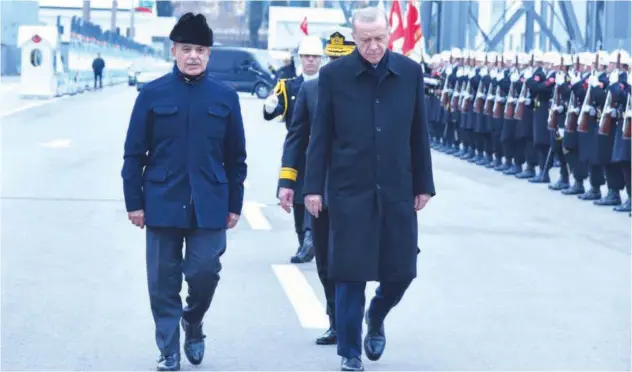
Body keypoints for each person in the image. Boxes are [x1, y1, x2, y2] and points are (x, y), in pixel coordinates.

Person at [302, 7, 435, 371]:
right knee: (349, 272)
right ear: (353, 38)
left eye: (379, 39)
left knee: (402, 271)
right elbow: (320, 137)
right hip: (349, 189)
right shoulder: (333, 76)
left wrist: (424, 184)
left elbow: (418, 133)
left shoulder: (409, 73)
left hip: (397, 188)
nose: (373, 47)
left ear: (388, 35)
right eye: (365, 40)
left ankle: (375, 317)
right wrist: (312, 187)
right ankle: (350, 352)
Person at [121, 13, 247, 371]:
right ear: (173, 50)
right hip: (161, 201)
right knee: (162, 281)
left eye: (201, 50)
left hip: (210, 203)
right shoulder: (152, 93)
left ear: (209, 54)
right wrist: (135, 203)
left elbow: (236, 158)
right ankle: (169, 349)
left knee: (205, 272)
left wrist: (234, 204)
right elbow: (134, 153)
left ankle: (193, 321)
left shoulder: (225, 97)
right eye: (187, 48)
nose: (194, 56)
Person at [278, 30, 356, 346]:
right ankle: (336, 321)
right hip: (320, 188)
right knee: (325, 259)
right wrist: (287, 182)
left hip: (357, 188)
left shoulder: (366, 91)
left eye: (342, 58)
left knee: (354, 258)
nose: (336, 64)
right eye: (332, 58)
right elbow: (296, 138)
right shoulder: (311, 91)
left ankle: (358, 319)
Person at [263, 35, 324, 264]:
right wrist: (270, 107)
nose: (310, 61)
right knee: (298, 199)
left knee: (314, 195)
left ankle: (311, 237)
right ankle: (304, 239)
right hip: (299, 148)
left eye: (315, 57)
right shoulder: (289, 85)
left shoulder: (328, 85)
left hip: (320, 150)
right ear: (300, 58)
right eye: (307, 56)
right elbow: (277, 109)